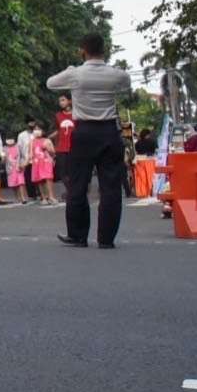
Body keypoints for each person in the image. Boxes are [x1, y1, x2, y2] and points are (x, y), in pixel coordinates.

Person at [46, 32, 131, 248]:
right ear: (104, 49)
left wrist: (70, 70)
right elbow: (126, 83)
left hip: (83, 132)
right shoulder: (115, 74)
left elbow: (50, 83)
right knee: (111, 187)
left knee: (78, 184)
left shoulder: (76, 74)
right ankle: (106, 239)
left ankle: (78, 235)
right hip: (109, 132)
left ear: (82, 50)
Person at [52, 94, 75, 197]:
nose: (61, 103)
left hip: (75, 147)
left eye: (63, 100)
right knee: (62, 172)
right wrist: (47, 138)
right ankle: (70, 191)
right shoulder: (58, 115)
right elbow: (57, 130)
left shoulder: (76, 114)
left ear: (69, 101)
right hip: (61, 148)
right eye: (60, 101)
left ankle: (74, 191)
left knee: (73, 171)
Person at [29, 123, 58, 204]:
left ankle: (51, 196)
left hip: (46, 161)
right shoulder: (32, 142)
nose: (37, 131)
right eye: (35, 129)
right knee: (39, 180)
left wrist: (48, 149)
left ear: (43, 131)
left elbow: (53, 153)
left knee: (48, 178)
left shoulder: (47, 140)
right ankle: (44, 197)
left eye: (39, 129)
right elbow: (30, 153)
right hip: (36, 162)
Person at [16, 116, 40, 200]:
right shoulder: (21, 135)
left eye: (33, 122)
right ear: (26, 124)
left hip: (37, 159)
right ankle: (32, 195)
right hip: (26, 160)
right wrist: (18, 162)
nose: (32, 124)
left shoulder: (38, 133)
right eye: (30, 122)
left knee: (39, 178)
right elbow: (18, 149)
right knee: (28, 178)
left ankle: (41, 194)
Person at [4, 137, 28, 204]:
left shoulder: (18, 147)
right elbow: (3, 160)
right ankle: (17, 197)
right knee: (13, 184)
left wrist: (23, 164)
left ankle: (23, 198)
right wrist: (3, 158)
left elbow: (23, 156)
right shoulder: (4, 148)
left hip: (18, 167)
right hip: (10, 168)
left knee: (21, 182)